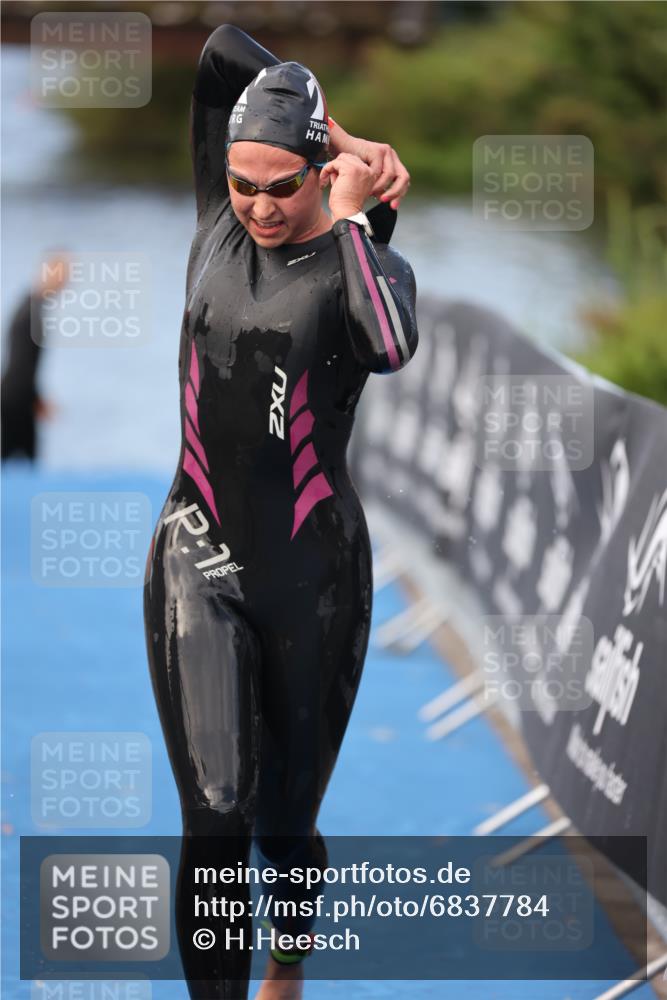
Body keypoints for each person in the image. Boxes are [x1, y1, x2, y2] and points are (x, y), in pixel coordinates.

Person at [143, 24, 418, 1000]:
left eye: (281, 186)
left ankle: (287, 962)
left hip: (314, 578)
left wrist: (351, 214)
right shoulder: (214, 224)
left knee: (283, 823)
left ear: (320, 182)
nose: (258, 205)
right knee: (216, 811)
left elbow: (386, 347)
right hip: (197, 552)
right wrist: (330, 124)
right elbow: (221, 49)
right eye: (241, 182)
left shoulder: (365, 266)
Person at [1, 253, 68, 461]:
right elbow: (20, 364)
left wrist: (36, 397)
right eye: (62, 273)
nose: (65, 281)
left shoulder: (30, 306)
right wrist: (33, 398)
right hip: (15, 401)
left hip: (18, 397)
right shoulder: (30, 312)